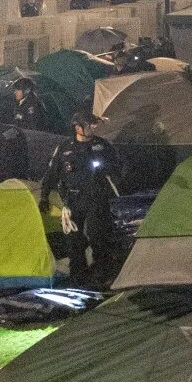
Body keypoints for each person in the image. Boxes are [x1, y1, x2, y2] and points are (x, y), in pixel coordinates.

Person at [39, 113, 127, 287]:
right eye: (88, 125)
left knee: (97, 236)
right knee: (74, 240)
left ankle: (102, 272)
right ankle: (78, 276)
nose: (92, 128)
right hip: (72, 199)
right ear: (78, 128)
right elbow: (52, 173)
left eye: (93, 126)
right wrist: (44, 195)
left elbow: (119, 168)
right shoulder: (65, 147)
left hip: (96, 197)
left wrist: (109, 172)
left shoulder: (102, 145)